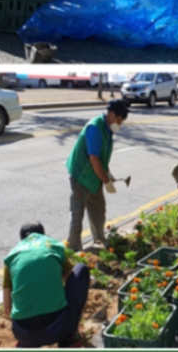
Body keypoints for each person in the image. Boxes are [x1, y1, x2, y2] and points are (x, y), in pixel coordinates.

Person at [3, 221, 90, 348]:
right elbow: (70, 282)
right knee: (81, 270)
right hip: (58, 328)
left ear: (22, 239)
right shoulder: (52, 246)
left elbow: (7, 309)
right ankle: (69, 337)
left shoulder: (11, 257)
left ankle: (26, 344)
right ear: (43, 235)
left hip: (23, 333)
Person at [65, 99, 129, 250]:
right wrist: (106, 181)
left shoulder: (108, 129)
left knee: (99, 210)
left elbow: (102, 157)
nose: (120, 124)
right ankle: (73, 249)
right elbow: (93, 159)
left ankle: (99, 240)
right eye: (119, 120)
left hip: (94, 177)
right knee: (77, 215)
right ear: (111, 115)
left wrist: (107, 172)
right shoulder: (95, 128)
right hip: (80, 176)